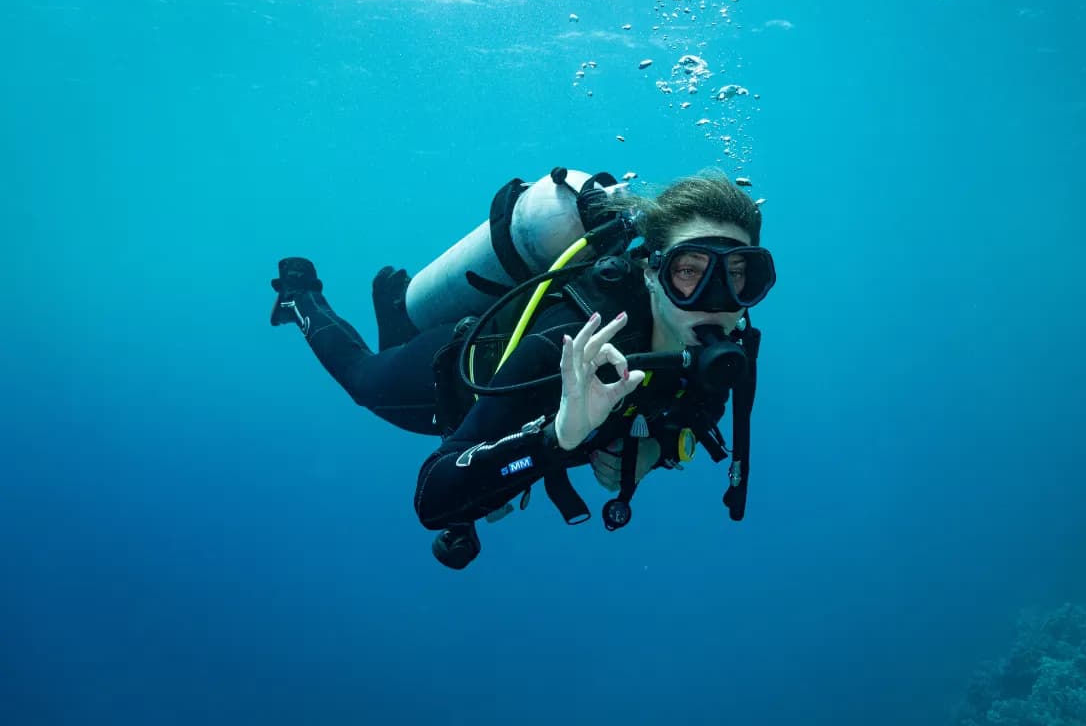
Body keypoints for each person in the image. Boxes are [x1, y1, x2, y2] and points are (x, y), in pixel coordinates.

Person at [268, 167, 775, 569]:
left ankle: (394, 306)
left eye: (739, 277)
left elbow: (682, 419)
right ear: (652, 273)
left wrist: (653, 452)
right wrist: (554, 439)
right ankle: (299, 295)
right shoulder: (570, 341)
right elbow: (432, 497)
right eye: (690, 272)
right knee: (363, 380)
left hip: (503, 430)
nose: (717, 301)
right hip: (452, 378)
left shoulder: (722, 354)